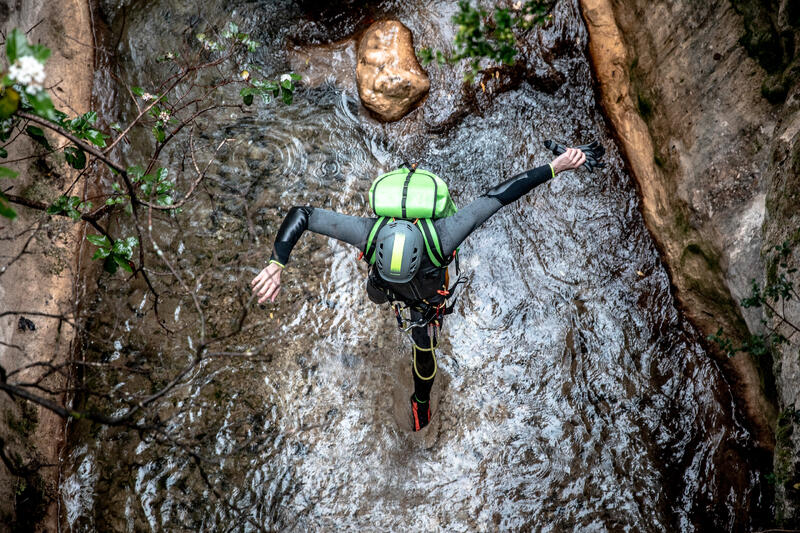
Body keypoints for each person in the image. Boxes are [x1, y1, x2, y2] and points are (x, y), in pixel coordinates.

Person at [252, 147, 590, 431]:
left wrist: (554, 167)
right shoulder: (368, 233)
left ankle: (421, 400)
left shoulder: (445, 235)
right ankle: (390, 293)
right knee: (378, 295)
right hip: (396, 282)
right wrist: (276, 263)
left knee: (424, 346)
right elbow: (303, 213)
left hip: (427, 298)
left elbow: (502, 195)